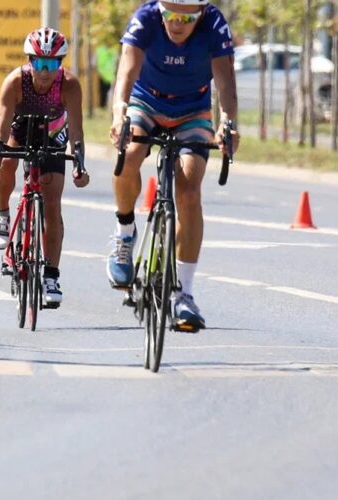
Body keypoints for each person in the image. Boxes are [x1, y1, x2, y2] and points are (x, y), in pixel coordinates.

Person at [107, 0, 240, 333]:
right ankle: (125, 234)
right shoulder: (145, 19)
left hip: (192, 110)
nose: (176, 24)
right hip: (146, 101)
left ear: (200, 15)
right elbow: (127, 69)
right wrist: (119, 112)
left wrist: (229, 122)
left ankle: (184, 294)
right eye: (170, 15)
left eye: (185, 18)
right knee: (131, 153)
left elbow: (225, 80)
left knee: (189, 190)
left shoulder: (214, 25)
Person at [0, 27, 89, 307]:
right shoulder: (15, 81)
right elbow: (2, 125)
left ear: (60, 64)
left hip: (53, 132)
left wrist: (79, 163)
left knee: (52, 202)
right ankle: (3, 215)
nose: (45, 71)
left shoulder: (70, 85)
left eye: (52, 63)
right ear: (30, 61)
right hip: (18, 126)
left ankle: (51, 276)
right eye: (39, 63)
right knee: (7, 162)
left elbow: (77, 131)